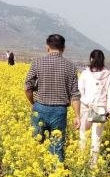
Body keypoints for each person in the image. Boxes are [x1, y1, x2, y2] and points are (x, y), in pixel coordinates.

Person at [24, 34, 80, 162]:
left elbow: (27, 86)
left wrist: (33, 102)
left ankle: (37, 174)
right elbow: (75, 94)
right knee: (57, 147)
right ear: (63, 48)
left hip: (40, 108)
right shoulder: (71, 67)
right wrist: (77, 116)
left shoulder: (38, 63)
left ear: (47, 47)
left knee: (36, 145)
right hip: (59, 111)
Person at [78, 49, 110, 164]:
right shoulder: (108, 75)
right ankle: (93, 165)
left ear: (91, 59)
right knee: (96, 138)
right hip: (100, 109)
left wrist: (87, 101)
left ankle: (81, 160)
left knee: (83, 134)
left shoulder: (85, 74)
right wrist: (109, 109)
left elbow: (79, 91)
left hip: (86, 107)